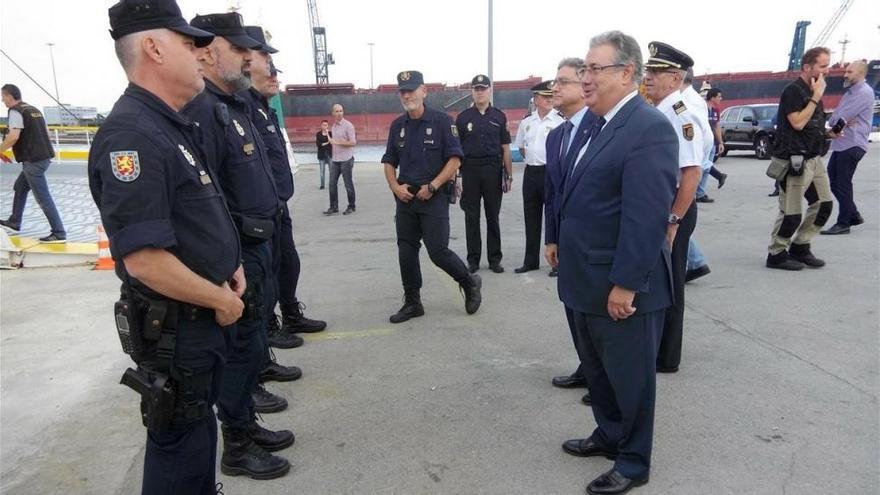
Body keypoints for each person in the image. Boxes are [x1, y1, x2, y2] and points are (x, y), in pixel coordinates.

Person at [88, 1, 243, 492]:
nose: (199, 52)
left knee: (197, 440)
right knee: (179, 448)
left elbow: (192, 220)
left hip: (197, 323)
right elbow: (146, 260)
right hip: (179, 331)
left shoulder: (167, 124)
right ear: (152, 47)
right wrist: (220, 298)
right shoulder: (132, 135)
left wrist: (229, 265)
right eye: (186, 41)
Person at [559, 31, 677, 495]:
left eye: (594, 69)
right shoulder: (597, 123)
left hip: (621, 284)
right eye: (584, 69)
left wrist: (626, 284)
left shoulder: (649, 128)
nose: (585, 78)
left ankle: (633, 460)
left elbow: (646, 217)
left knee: (631, 379)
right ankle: (609, 434)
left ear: (626, 73)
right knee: (599, 371)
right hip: (584, 278)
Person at [184, 12, 291, 479]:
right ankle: (238, 443)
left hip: (260, 245)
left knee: (252, 343)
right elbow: (208, 196)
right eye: (239, 48)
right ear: (208, 51)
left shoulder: (236, 105)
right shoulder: (205, 110)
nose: (249, 57)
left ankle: (245, 421)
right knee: (240, 346)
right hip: (240, 253)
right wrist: (228, 260)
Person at [242, 26, 326, 346]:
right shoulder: (245, 107)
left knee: (288, 261)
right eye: (270, 66)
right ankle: (270, 324)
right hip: (263, 206)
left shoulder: (264, 108)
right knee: (268, 268)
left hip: (279, 201)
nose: (276, 76)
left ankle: (290, 312)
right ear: (248, 63)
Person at [381, 70, 482, 324]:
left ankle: (469, 282)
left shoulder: (442, 122)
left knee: (437, 251)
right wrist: (395, 187)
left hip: (433, 196)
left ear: (423, 91)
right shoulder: (397, 126)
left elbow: (455, 159)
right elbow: (389, 162)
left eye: (412, 90)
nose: (407, 96)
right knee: (406, 250)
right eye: (403, 91)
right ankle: (413, 302)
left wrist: (434, 186)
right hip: (406, 198)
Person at [643, 42, 704, 374]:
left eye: (656, 72)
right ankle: (659, 352)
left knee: (671, 282)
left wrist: (673, 220)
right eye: (648, 71)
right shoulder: (659, 110)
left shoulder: (682, 115)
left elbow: (691, 174)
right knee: (660, 280)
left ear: (676, 77)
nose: (648, 77)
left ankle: (667, 357)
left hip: (675, 209)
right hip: (663, 207)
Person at [544, 57, 597, 407]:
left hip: (592, 241)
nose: (555, 88)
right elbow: (553, 192)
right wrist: (551, 237)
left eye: (563, 81)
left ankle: (601, 379)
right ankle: (586, 366)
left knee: (593, 313)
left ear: (583, 85)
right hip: (565, 238)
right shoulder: (556, 135)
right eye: (555, 81)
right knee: (572, 306)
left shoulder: (601, 129)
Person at [766, 47, 837, 270]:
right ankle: (777, 253)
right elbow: (796, 122)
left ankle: (800, 246)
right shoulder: (794, 91)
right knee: (791, 212)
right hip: (795, 159)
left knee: (823, 204)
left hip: (814, 158)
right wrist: (816, 97)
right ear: (808, 67)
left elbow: (810, 124)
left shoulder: (814, 88)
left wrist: (828, 133)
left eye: (828, 65)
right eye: (823, 66)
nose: (828, 70)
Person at [455, 74, 513, 273]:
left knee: (492, 217)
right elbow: (456, 151)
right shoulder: (463, 118)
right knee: (471, 217)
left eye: (483, 88)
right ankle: (473, 260)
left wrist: (508, 175)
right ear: (472, 91)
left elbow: (505, 148)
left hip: (492, 170)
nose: (480, 92)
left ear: (489, 90)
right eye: (476, 88)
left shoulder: (499, 116)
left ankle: (495, 259)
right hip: (470, 170)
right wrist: (457, 176)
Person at [0, 84, 67, 242]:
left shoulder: (16, 111)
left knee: (43, 197)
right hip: (43, 157)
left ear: (10, 96)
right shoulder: (33, 109)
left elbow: (13, 137)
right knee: (20, 187)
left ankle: (59, 232)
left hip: (33, 160)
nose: (2, 100)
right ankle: (15, 221)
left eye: (3, 96)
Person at [512, 80, 563, 274]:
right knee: (531, 218)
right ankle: (530, 260)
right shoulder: (527, 122)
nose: (550, 100)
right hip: (531, 173)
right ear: (536, 99)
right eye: (545, 97)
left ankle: (557, 263)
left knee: (554, 217)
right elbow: (522, 148)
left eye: (551, 96)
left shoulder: (560, 121)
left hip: (551, 172)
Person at [821, 60, 873, 235]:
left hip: (853, 144)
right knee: (835, 181)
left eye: (849, 72)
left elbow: (841, 116)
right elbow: (835, 119)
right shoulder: (850, 93)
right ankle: (854, 214)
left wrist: (837, 119)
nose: (845, 74)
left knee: (842, 183)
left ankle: (844, 223)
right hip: (842, 144)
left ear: (860, 73)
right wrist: (837, 119)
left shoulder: (864, 93)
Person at [324, 103, 357, 215]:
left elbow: (353, 142)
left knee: (348, 184)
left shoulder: (349, 126)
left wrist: (336, 142)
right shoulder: (333, 127)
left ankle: (351, 206)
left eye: (341, 111)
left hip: (346, 159)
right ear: (333, 113)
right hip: (335, 159)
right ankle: (334, 207)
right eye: (337, 111)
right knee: (332, 184)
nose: (339, 113)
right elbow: (334, 144)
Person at [316, 119, 332, 189]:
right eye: (323, 125)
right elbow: (319, 144)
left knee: (331, 171)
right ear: (321, 126)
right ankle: (322, 185)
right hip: (321, 155)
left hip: (329, 154)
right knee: (322, 171)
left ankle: (332, 184)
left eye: (326, 125)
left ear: (328, 126)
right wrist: (327, 143)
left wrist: (327, 134)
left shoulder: (330, 133)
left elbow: (331, 142)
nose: (325, 126)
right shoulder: (318, 134)